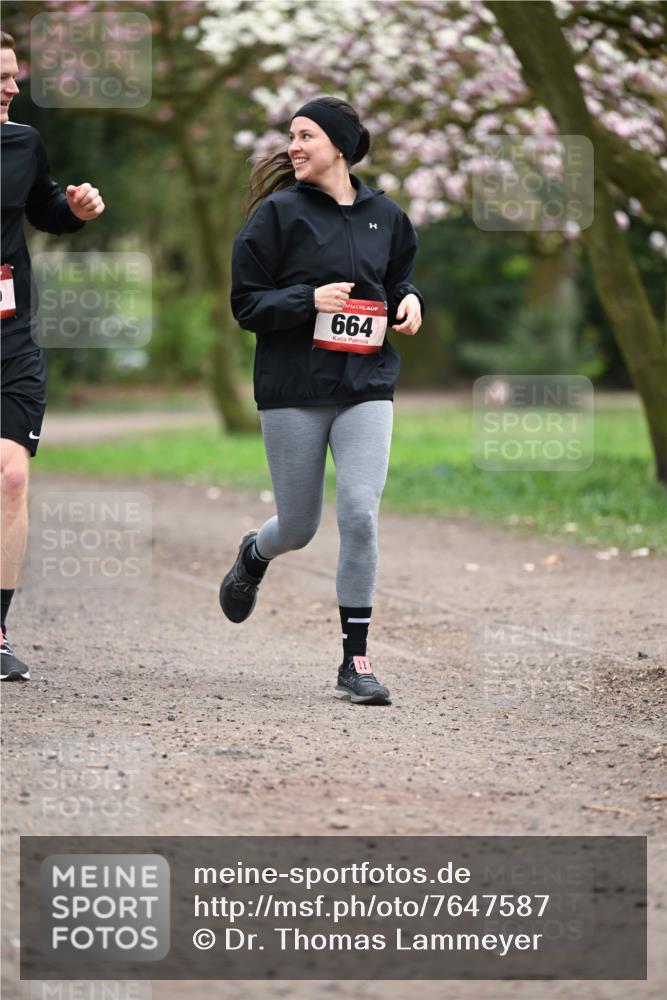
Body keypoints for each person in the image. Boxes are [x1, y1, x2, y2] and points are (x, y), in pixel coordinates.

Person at [220, 95, 423, 706]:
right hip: (294, 390)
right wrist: (309, 300)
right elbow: (246, 305)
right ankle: (256, 552)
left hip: (366, 385)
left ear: (340, 145)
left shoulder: (387, 216)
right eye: (291, 136)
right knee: (301, 526)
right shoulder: (276, 216)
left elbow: (399, 279)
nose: (294, 146)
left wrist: (410, 300)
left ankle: (354, 661)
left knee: (360, 514)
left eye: (306, 135)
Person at [1, 30, 105, 680]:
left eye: (12, 76)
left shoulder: (21, 143)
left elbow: (43, 207)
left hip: (8, 337)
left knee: (10, 478)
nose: (12, 87)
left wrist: (72, 207)